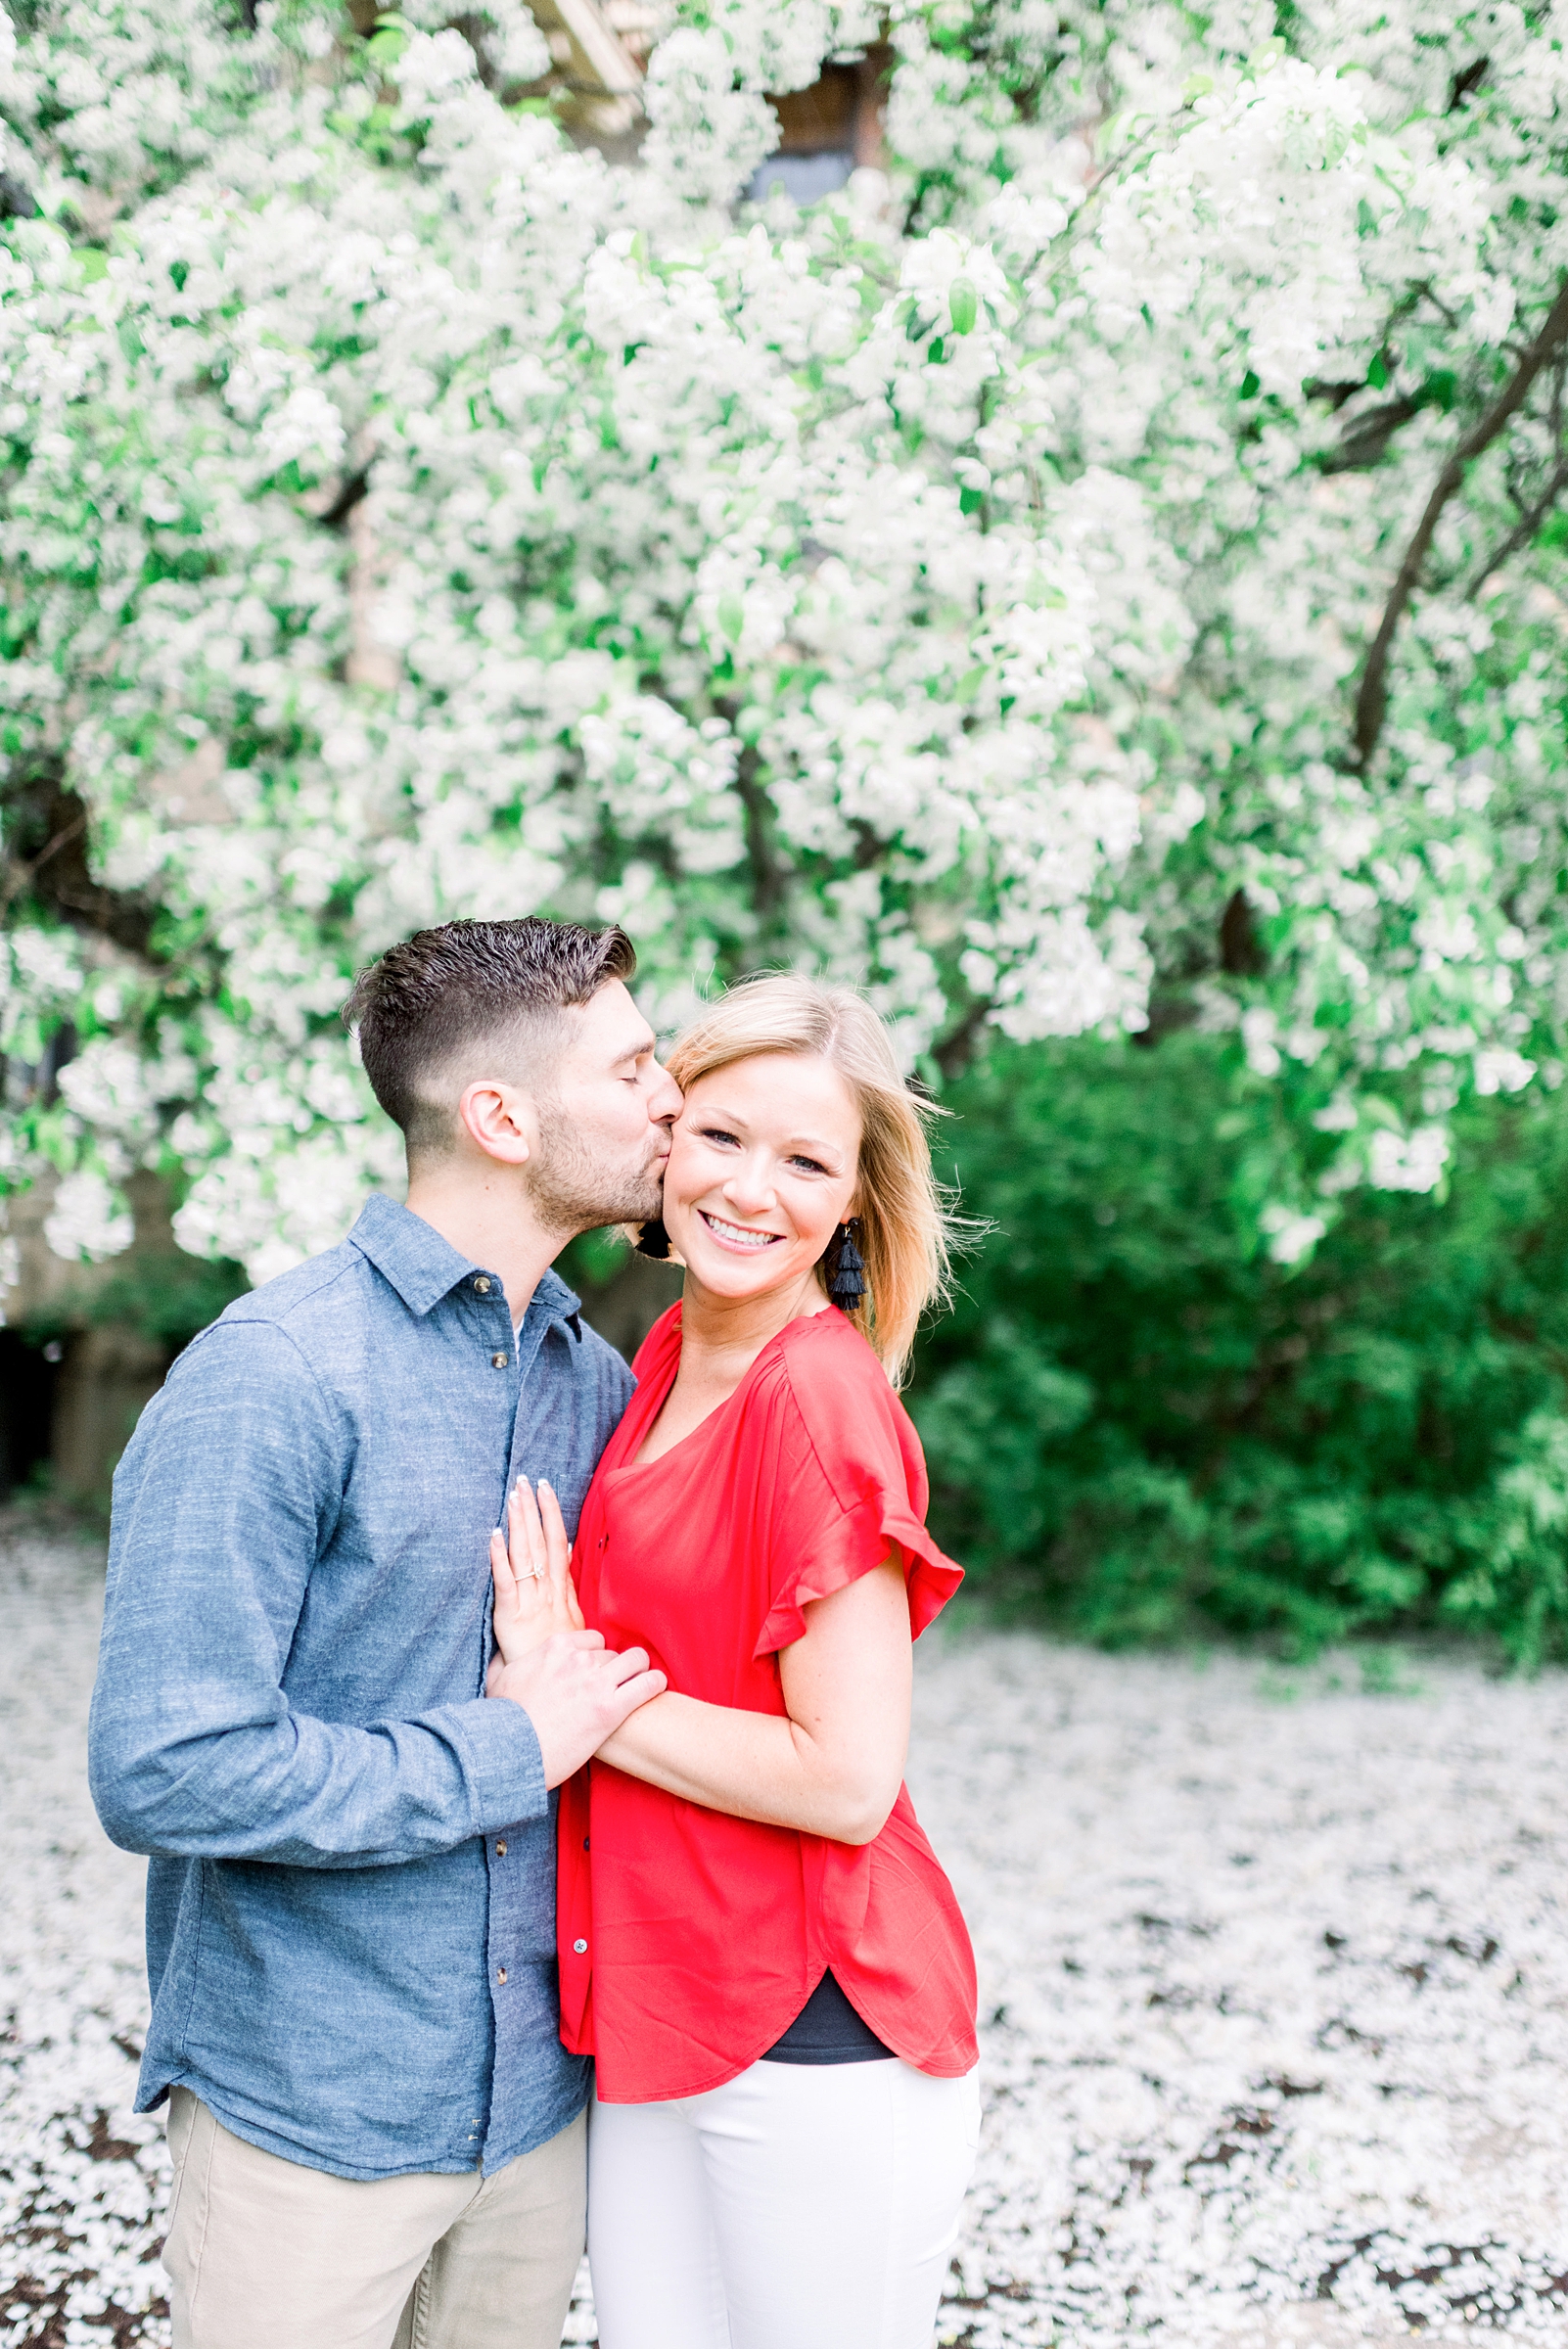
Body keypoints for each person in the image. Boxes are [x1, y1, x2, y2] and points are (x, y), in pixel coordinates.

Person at [87, 915, 677, 2349]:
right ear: (498, 1116)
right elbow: (166, 1767)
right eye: (634, 1068)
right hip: (313, 2112)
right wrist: (503, 1747)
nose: (671, 1099)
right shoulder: (271, 1379)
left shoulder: (592, 1381)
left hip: (538, 2104)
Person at [489, 973, 981, 2349]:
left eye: (805, 1160)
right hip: (656, 2000)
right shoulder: (662, 1354)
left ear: (850, 1206)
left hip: (814, 2020)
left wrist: (569, 1696)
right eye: (720, 1137)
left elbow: (845, 1782)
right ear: (662, 1136)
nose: (749, 1189)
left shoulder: (816, 1401)